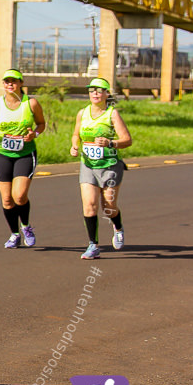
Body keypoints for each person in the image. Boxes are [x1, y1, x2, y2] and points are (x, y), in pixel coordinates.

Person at [0, 69, 47, 249]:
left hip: (25, 153)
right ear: (3, 84)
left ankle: (26, 226)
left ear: (21, 83)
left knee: (19, 196)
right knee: (7, 200)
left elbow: (41, 124)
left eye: (14, 81)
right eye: (6, 81)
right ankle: (14, 234)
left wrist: (34, 134)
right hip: (2, 153)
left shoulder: (31, 103)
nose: (10, 84)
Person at [69, 77, 131, 260]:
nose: (95, 93)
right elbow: (75, 134)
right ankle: (93, 245)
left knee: (108, 207)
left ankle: (118, 227)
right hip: (88, 165)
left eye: (99, 90)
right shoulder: (82, 113)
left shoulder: (112, 114)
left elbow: (127, 140)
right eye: (91, 90)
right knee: (89, 206)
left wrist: (110, 142)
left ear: (106, 94)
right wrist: (74, 145)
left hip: (110, 165)